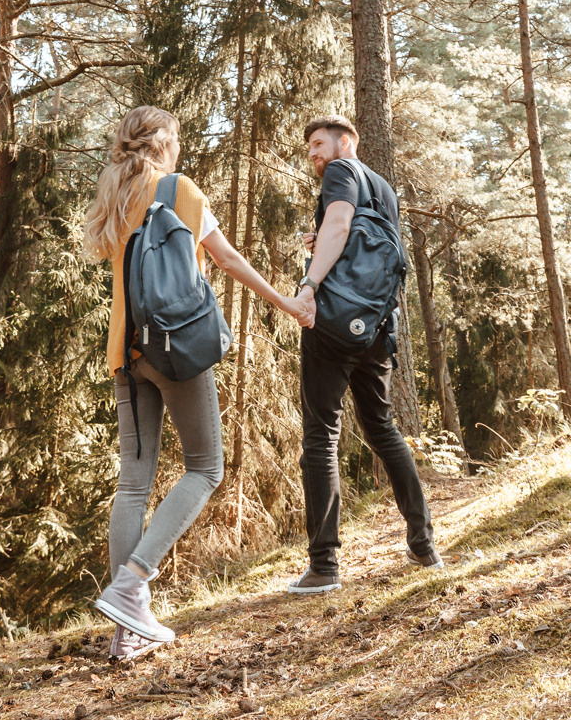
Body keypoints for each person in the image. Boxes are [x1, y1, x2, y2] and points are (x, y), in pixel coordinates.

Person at [83, 106, 309, 659]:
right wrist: (287, 302)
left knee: (132, 485)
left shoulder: (113, 193)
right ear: (164, 143)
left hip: (125, 352)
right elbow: (227, 259)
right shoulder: (178, 189)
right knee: (206, 467)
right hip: (176, 349)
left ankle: (126, 631)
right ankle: (133, 582)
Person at [286, 115, 440, 593]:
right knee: (382, 428)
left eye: (318, 143)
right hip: (377, 325)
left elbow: (339, 222)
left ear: (345, 141)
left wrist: (310, 283)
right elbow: (368, 248)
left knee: (321, 434)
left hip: (332, 323)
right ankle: (423, 543)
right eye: (309, 148)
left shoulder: (341, 171)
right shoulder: (384, 188)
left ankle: (324, 566)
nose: (313, 154)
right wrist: (324, 245)